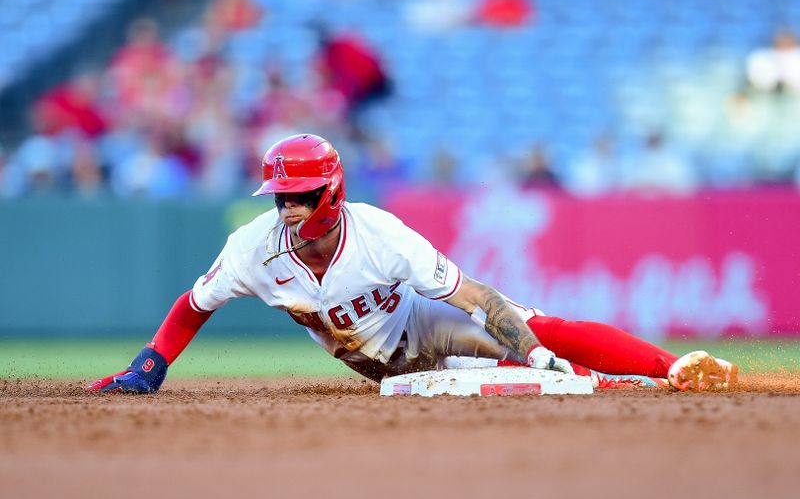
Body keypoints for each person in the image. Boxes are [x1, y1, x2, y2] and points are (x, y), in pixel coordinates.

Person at [87, 134, 738, 394]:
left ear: (332, 192)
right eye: (280, 196)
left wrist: (530, 346)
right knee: (500, 378)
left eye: (300, 196)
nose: (286, 208)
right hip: (374, 361)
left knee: (536, 342)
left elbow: (475, 297)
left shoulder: (382, 236)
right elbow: (192, 305)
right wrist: (150, 366)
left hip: (423, 323)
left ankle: (668, 368)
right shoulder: (252, 248)